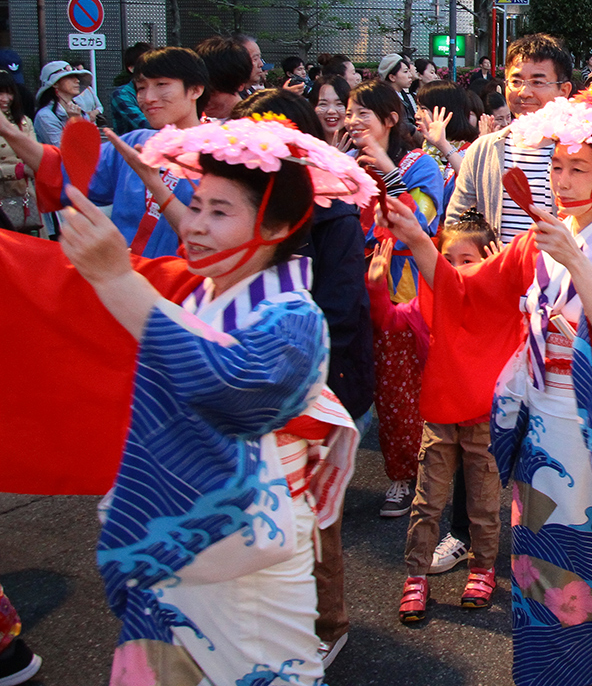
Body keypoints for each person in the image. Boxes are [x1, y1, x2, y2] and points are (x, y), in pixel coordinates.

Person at [0, 115, 369, 684]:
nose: (194, 225)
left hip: (247, 549)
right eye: (195, 205)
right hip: (190, 535)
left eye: (218, 212)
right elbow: (199, 287)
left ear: (276, 226)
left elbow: (233, 390)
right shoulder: (218, 291)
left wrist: (117, 281)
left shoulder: (295, 317)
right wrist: (152, 199)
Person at [378, 90, 592, 685]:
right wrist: (415, 240)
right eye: (557, 167)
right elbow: (469, 295)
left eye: (578, 169)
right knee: (543, 545)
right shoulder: (539, 237)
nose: (562, 181)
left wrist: (580, 265)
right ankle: (551, 662)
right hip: (543, 416)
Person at [228, 90, 374, 665]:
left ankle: (327, 621)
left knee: (311, 510)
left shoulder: (331, 209)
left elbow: (340, 305)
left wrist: (282, 360)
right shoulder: (242, 205)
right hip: (248, 379)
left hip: (314, 375)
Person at [367, 218, 504, 622]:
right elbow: (389, 321)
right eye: (447, 259)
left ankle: (482, 568)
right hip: (439, 418)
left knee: (483, 502)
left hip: (483, 419)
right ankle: (415, 575)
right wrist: (376, 285)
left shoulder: (497, 304)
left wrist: (498, 279)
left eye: (469, 260)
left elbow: (524, 317)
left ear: (488, 260)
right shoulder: (429, 301)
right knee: (427, 500)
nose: (458, 268)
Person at [2, 47, 208, 257]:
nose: (148, 98)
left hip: (186, 282)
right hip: (123, 278)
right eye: (141, 88)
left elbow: (209, 234)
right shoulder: (135, 142)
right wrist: (8, 130)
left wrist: (154, 183)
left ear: (195, 90)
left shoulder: (221, 153)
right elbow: (63, 167)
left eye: (161, 85)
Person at [348, 79, 446, 519]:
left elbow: (421, 223)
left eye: (360, 113)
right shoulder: (347, 164)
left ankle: (406, 477)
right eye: (347, 112)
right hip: (352, 291)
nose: (351, 121)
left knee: (399, 394)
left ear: (390, 119)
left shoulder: (419, 164)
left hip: (401, 295)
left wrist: (387, 171)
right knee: (357, 388)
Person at [447, 33, 574, 242]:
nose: (524, 92)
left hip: (556, 271)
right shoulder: (483, 150)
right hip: (495, 270)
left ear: (564, 90)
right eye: (516, 81)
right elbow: (456, 220)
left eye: (537, 82)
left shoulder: (580, 150)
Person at [0, 71, 40, 235]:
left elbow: (35, 153)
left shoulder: (24, 121)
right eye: (0, 93)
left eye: (9, 92)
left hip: (25, 195)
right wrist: (16, 170)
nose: (5, 98)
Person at [33, 60, 98, 145]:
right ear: (55, 84)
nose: (77, 81)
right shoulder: (45, 116)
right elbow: (62, 150)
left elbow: (92, 145)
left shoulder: (80, 112)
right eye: (70, 77)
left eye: (76, 77)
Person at [111, 42, 152, 132]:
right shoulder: (122, 94)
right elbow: (142, 123)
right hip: (130, 144)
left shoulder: (161, 89)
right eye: (147, 64)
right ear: (132, 68)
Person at [311, 74, 351, 146]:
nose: (331, 111)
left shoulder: (361, 149)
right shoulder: (304, 148)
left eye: (339, 104)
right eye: (323, 104)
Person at [379, 54, 418, 124]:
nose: (410, 76)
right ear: (392, 77)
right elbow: (406, 128)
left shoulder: (403, 95)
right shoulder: (387, 100)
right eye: (405, 72)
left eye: (409, 71)